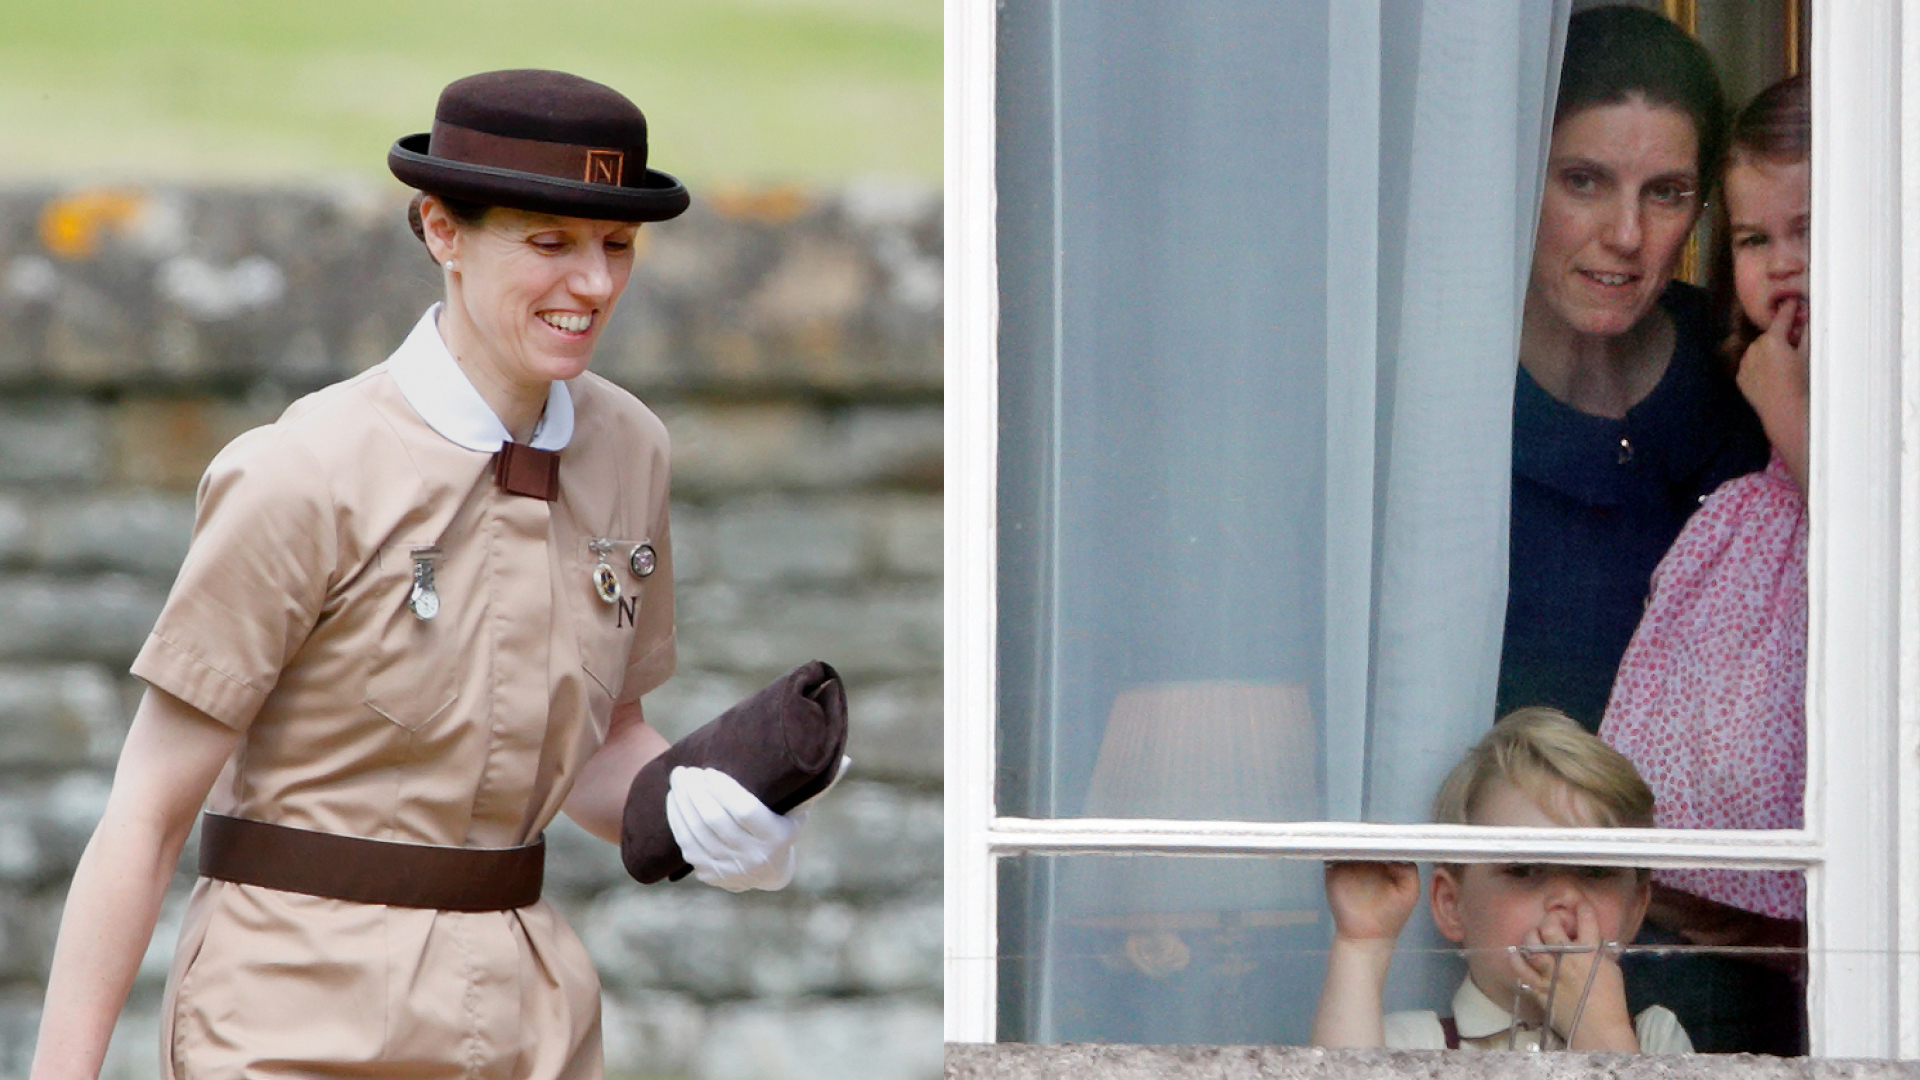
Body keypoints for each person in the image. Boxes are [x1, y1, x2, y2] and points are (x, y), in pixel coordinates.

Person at [29, 69, 814, 1079]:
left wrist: (705, 813)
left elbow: (600, 742)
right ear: (441, 231)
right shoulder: (299, 473)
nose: (595, 284)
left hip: (532, 1021)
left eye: (616, 246)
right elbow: (146, 814)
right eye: (549, 243)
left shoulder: (631, 451)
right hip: (290, 1012)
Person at [1599, 73, 1812, 1057]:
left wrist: (1788, 415)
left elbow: (1880, 558)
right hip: (1715, 926)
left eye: (1809, 230)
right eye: (1757, 240)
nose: (1783, 267)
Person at [1498, 5, 1769, 731]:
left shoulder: (1748, 366)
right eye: (1584, 181)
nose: (1626, 235)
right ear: (1522, 175)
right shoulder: (1443, 387)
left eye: (1666, 193)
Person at [1310, 708, 1690, 1053]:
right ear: (1451, 905)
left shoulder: (1653, 1041)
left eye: (1595, 871)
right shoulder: (1414, 1045)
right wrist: (1362, 944)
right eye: (1524, 870)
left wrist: (1600, 1031)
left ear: (1635, 909)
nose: (1566, 896)